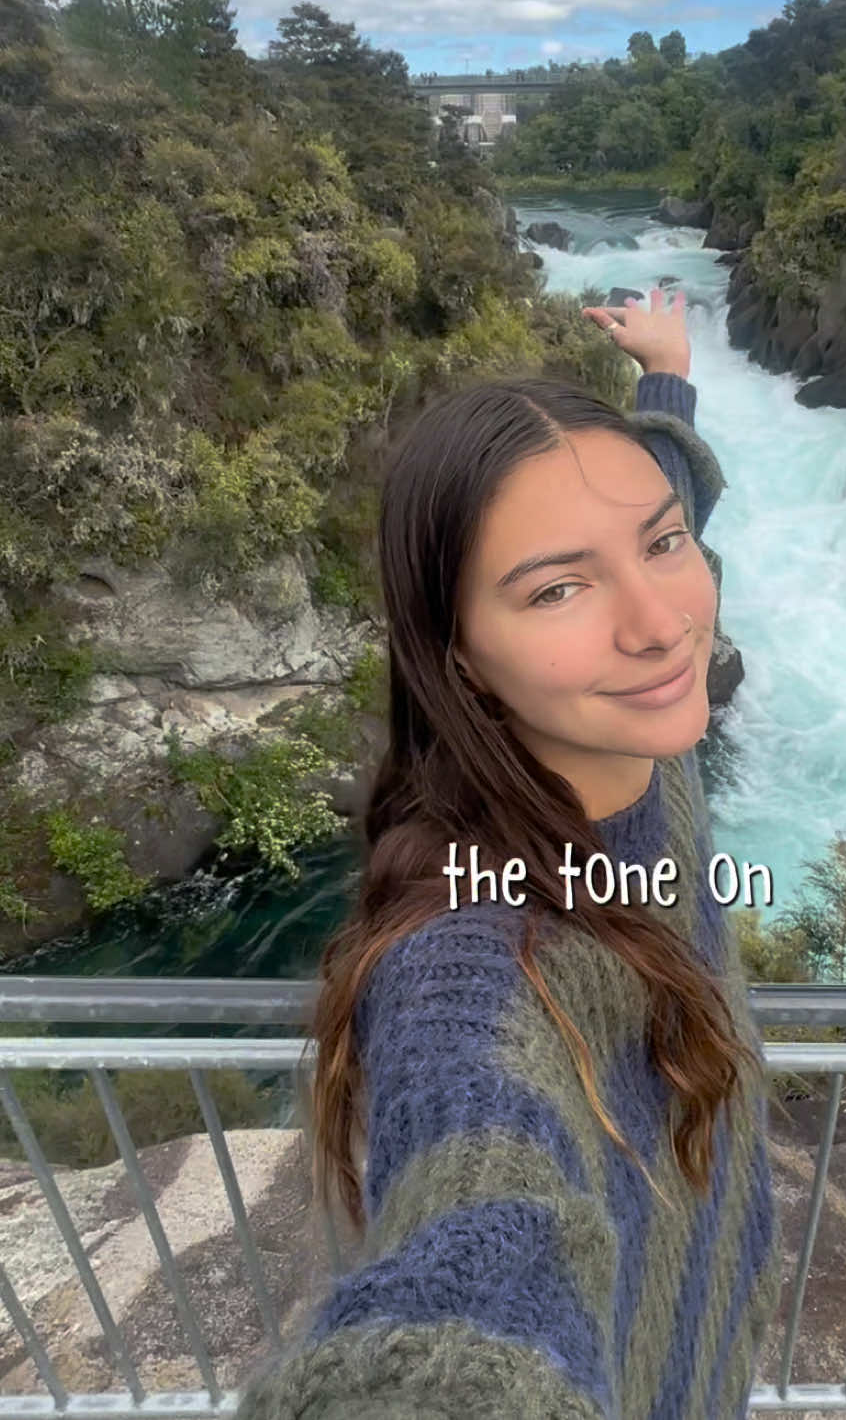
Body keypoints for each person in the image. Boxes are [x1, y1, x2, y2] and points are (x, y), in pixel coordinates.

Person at [234, 286, 780, 1420]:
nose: (660, 621)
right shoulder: (471, 957)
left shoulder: (632, 725)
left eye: (662, 549)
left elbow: (670, 485)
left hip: (706, 1333)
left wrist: (665, 377)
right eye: (557, 588)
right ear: (463, 659)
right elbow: (479, 1198)